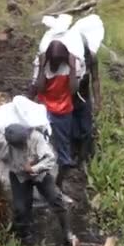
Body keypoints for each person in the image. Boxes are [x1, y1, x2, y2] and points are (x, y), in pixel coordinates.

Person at [0, 123, 73, 246]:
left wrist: (34, 169)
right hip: (19, 176)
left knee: (55, 198)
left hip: (40, 174)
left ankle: (67, 232)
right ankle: (24, 236)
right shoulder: (3, 144)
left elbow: (50, 158)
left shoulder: (36, 137)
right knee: (21, 208)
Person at [32, 40, 80, 188]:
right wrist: (41, 67)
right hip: (44, 108)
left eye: (58, 62)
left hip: (63, 110)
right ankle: (41, 181)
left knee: (62, 148)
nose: (55, 65)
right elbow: (39, 89)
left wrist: (72, 68)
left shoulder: (72, 63)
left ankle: (58, 184)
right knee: (40, 144)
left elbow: (73, 90)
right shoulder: (42, 62)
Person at [72, 37, 101, 165]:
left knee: (86, 130)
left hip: (84, 97)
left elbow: (95, 79)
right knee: (73, 131)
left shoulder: (92, 58)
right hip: (70, 98)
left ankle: (83, 158)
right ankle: (73, 154)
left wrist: (97, 100)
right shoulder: (70, 58)